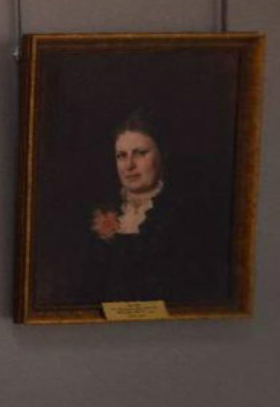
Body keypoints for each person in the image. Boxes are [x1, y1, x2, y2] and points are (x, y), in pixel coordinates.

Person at [79, 112, 217, 304]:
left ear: (162, 154)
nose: (129, 165)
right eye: (121, 156)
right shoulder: (99, 212)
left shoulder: (187, 215)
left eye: (140, 153)